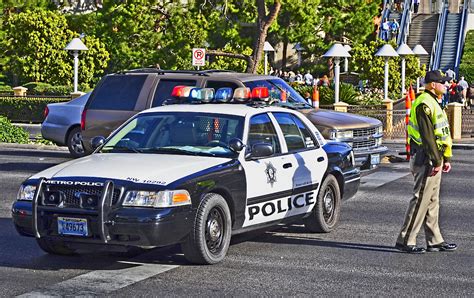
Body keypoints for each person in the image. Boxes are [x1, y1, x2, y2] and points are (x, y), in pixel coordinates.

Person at [395, 70, 457, 254]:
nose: (446, 85)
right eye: (442, 83)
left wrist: (445, 158)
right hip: (426, 158)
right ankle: (406, 239)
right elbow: (428, 136)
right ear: (432, 85)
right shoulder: (424, 103)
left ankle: (435, 240)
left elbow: (440, 133)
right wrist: (437, 160)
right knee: (420, 199)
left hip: (434, 157)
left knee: (432, 201)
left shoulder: (434, 102)